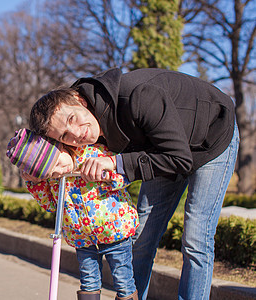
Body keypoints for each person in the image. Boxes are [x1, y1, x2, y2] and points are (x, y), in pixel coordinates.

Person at [28, 68, 239, 300]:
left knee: (196, 238)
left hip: (212, 137)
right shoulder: (89, 127)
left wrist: (114, 162)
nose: (77, 134)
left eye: (72, 119)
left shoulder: (139, 96)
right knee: (141, 238)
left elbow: (179, 159)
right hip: (161, 151)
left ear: (79, 100)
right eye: (65, 136)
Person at [6, 128, 139, 300]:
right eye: (52, 173)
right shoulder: (54, 179)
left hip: (115, 230)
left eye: (59, 164)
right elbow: (51, 205)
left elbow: (125, 177)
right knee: (88, 281)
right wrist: (37, 185)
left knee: (123, 279)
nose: (60, 172)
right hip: (81, 237)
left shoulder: (94, 154)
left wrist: (107, 177)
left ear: (61, 148)